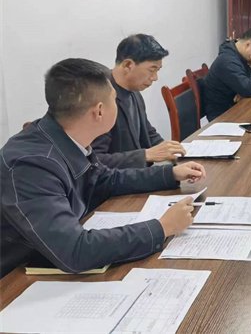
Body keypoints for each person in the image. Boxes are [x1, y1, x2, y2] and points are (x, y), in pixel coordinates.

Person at [0, 58, 207, 278]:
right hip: (15, 279)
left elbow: (105, 180)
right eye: (115, 100)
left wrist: (169, 174)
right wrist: (162, 227)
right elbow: (75, 251)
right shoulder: (31, 166)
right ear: (99, 111)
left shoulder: (65, 136)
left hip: (48, 257)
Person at [91, 34, 185, 169]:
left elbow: (148, 133)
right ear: (128, 65)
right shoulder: (101, 98)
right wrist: (145, 155)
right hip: (118, 178)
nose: (155, 77)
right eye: (152, 70)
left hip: (138, 173)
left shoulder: (134, 91)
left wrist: (171, 151)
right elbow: (95, 160)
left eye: (158, 70)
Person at [202, 26, 251, 121]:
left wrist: (243, 90)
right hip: (222, 115)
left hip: (234, 107)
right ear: (248, 45)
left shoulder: (239, 57)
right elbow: (249, 88)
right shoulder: (228, 61)